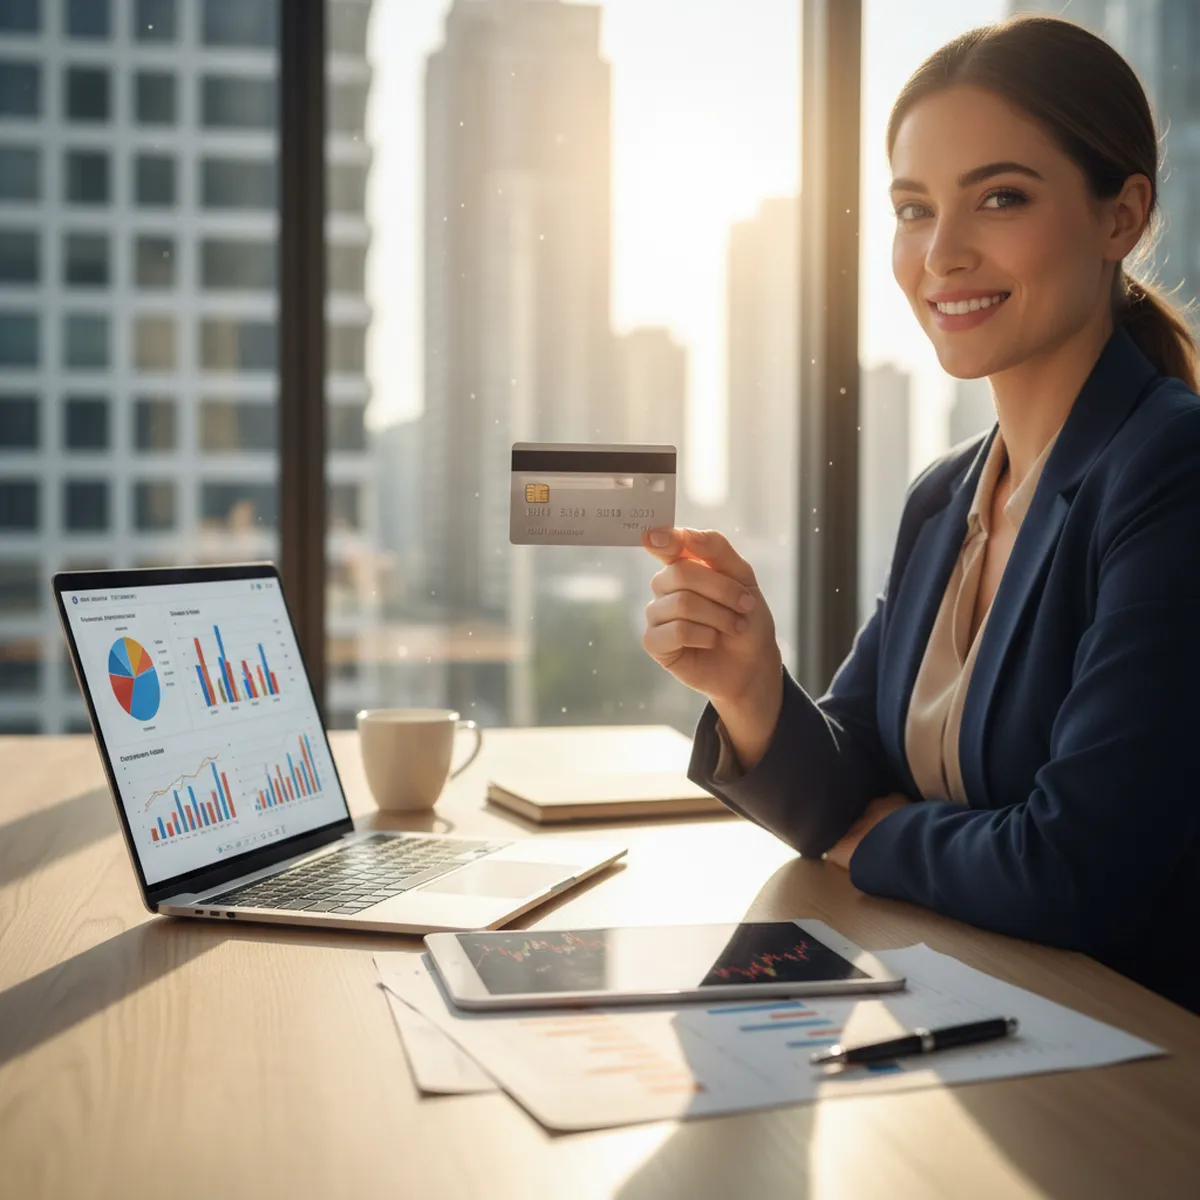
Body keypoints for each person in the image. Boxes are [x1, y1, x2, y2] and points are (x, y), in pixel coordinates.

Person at [641, 15, 1200, 1014]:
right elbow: (845, 779)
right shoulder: (947, 494)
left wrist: (883, 836)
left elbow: (1077, 869)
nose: (942, 252)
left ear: (1121, 218)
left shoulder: (1170, 466)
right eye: (912, 208)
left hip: (1135, 1065)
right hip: (970, 1005)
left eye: (1000, 197)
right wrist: (753, 688)